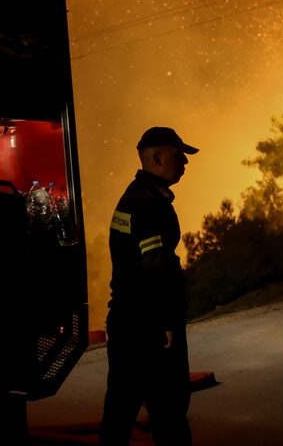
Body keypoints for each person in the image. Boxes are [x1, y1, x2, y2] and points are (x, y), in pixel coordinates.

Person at [100, 127, 198, 446]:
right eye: (177, 153)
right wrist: (168, 323)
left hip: (128, 323)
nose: (184, 161)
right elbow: (156, 268)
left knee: (120, 411)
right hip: (149, 327)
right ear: (156, 157)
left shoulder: (136, 197)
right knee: (169, 411)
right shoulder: (149, 204)